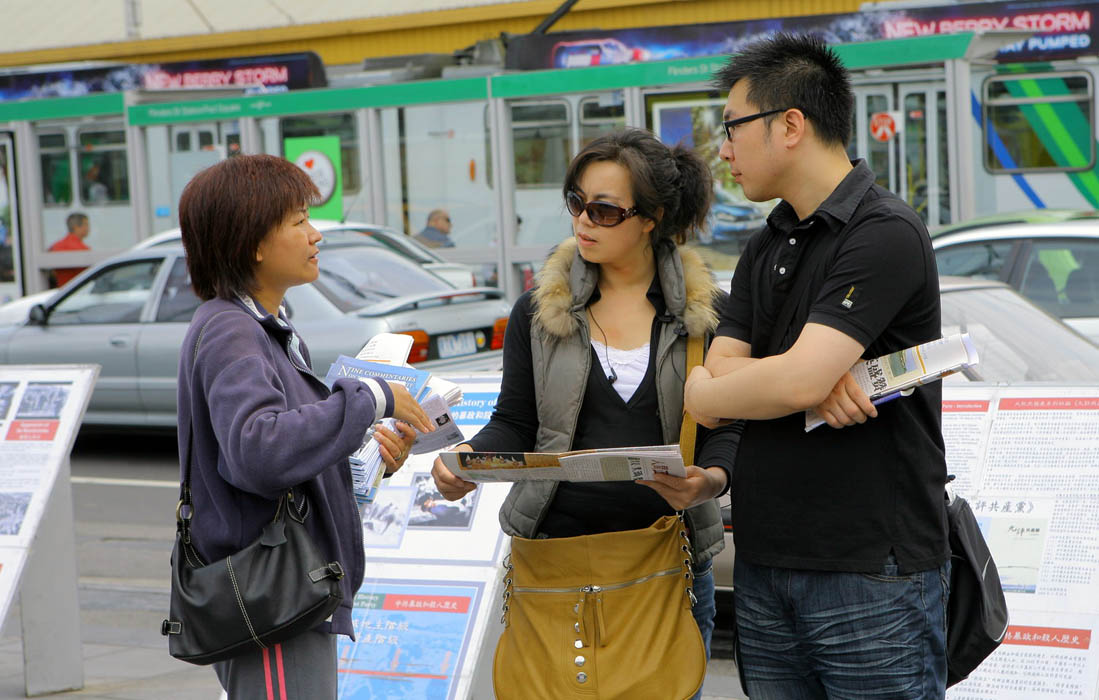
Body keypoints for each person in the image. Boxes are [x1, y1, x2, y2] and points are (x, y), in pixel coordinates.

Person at [683, 33, 950, 698]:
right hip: (765, 564)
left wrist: (782, 383)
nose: (722, 151)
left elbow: (766, 381)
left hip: (871, 571)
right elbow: (716, 388)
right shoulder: (763, 244)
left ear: (790, 125)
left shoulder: (883, 231)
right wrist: (795, 383)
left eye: (731, 127)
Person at [431, 128, 741, 698]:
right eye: (576, 203)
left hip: (667, 561)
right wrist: (468, 459)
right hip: (555, 559)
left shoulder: (705, 314)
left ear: (651, 218)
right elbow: (516, 421)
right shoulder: (537, 312)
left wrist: (711, 480)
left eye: (604, 210)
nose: (582, 221)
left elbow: (729, 424)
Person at [175, 154, 434, 699]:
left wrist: (366, 457)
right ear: (252, 242)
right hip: (273, 598)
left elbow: (286, 446)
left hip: (291, 593)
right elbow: (259, 450)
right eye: (298, 221)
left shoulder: (264, 325)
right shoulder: (231, 330)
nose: (316, 235)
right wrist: (371, 398)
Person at [48, 212, 91, 287]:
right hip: (78, 289)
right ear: (76, 227)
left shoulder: (56, 246)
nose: (88, 228)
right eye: (86, 224)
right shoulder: (82, 249)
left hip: (62, 289)